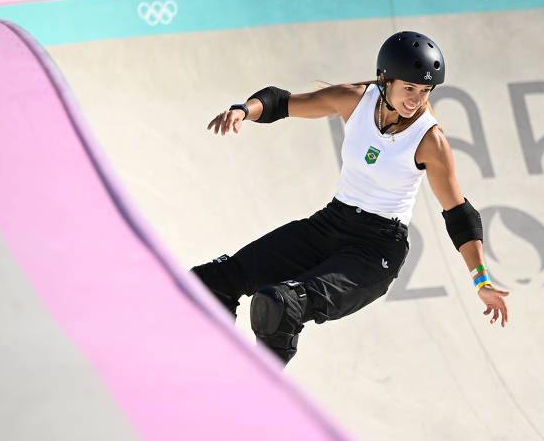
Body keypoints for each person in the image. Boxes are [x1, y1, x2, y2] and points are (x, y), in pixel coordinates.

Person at [192, 31, 510, 366]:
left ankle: (258, 395)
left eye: (425, 90)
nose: (416, 99)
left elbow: (459, 214)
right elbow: (280, 102)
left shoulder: (430, 140)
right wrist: (244, 110)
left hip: (376, 251)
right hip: (330, 224)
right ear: (385, 79)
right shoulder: (355, 99)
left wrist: (482, 280)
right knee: (211, 283)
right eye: (409, 88)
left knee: (279, 305)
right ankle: (202, 366)